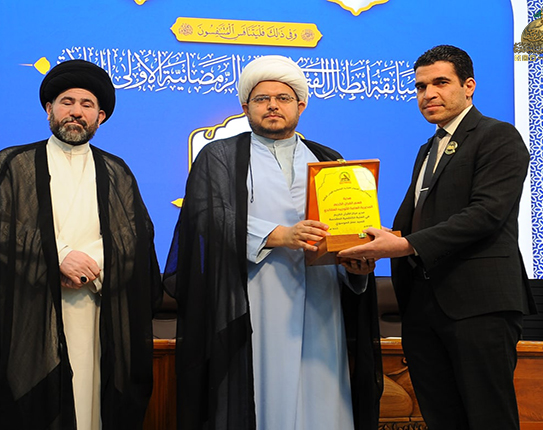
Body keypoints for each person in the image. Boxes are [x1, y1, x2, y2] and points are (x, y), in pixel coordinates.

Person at [163, 55, 382, 430]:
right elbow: (207, 216)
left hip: (323, 302)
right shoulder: (220, 156)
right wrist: (280, 235)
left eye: (283, 98)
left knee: (323, 400)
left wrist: (357, 267)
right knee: (262, 396)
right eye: (262, 99)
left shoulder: (329, 160)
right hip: (254, 298)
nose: (272, 106)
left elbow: (347, 228)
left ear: (301, 105)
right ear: (245, 107)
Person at [339, 45, 537, 429]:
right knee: (441, 418)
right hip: (422, 305)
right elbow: (416, 220)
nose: (428, 94)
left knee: (488, 418)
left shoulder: (497, 135)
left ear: (468, 86)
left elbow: (486, 214)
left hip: (478, 305)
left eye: (440, 83)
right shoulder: (427, 148)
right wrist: (369, 245)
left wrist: (404, 245)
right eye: (420, 86)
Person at [0, 59, 162, 430]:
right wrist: (59, 257)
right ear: (48, 109)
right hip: (32, 315)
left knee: (91, 407)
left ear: (100, 117)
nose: (76, 112)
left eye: (87, 105)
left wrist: (91, 266)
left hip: (97, 309)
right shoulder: (15, 163)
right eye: (67, 102)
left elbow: (135, 235)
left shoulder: (117, 171)